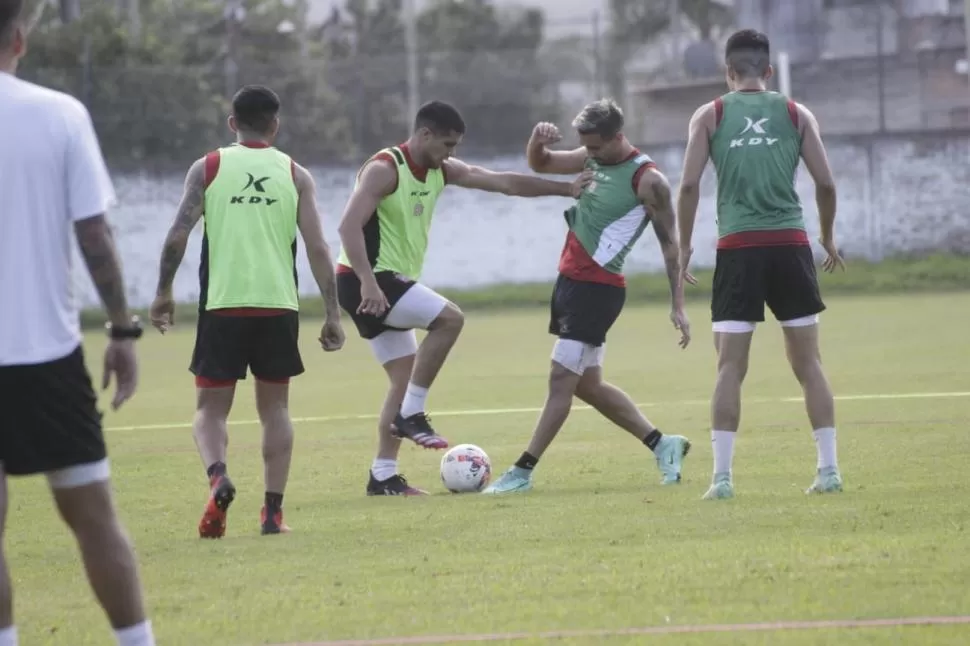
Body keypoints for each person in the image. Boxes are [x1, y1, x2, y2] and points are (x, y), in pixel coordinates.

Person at [337, 100, 592, 496]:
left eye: (455, 146)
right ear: (424, 135)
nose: (451, 153)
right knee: (449, 319)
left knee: (402, 378)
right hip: (367, 280)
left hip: (380, 282)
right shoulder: (385, 169)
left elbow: (504, 183)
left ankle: (383, 475)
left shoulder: (442, 169)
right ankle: (411, 414)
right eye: (446, 144)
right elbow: (348, 225)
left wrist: (566, 189)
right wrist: (368, 283)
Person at [0, 1, 157, 644]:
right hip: (47, 355)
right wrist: (122, 331)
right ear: (19, 40)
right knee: (94, 518)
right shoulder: (60, 114)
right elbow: (94, 235)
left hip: (40, 353)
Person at [149, 85, 345, 537]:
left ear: (232, 123)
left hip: (223, 305)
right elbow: (317, 246)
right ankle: (273, 515)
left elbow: (178, 233)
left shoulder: (209, 167)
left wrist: (163, 290)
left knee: (209, 410)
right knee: (275, 410)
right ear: (275, 124)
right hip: (279, 306)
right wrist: (333, 313)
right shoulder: (296, 174)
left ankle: (218, 477)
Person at [483, 99, 694, 495]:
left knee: (561, 378)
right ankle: (662, 444)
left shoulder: (648, 181)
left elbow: (671, 246)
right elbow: (541, 164)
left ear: (618, 136)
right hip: (569, 283)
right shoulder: (592, 155)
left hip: (598, 290)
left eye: (595, 148)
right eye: (586, 149)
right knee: (588, 386)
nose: (589, 157)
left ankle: (522, 472)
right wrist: (536, 141)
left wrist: (677, 304)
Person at [674, 29, 845, 500]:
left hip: (738, 249)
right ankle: (829, 471)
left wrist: (684, 247)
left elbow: (687, 186)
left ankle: (722, 480)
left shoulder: (711, 114)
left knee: (729, 367)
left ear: (728, 72)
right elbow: (826, 184)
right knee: (809, 362)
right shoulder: (796, 113)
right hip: (791, 245)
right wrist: (827, 237)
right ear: (768, 71)